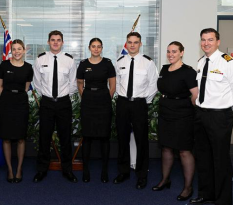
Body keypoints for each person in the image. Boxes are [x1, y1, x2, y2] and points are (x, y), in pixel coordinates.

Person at [189, 28, 233, 205]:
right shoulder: (201, 62)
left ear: (218, 42)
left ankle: (223, 200)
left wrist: (225, 110)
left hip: (220, 117)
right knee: (203, 157)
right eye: (203, 40)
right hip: (201, 115)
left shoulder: (228, 62)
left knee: (221, 159)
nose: (206, 43)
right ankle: (206, 193)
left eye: (210, 40)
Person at [152, 41, 198, 201]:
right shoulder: (165, 69)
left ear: (181, 53)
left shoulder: (188, 72)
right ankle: (165, 180)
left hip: (183, 114)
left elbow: (195, 95)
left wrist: (191, 112)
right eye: (168, 51)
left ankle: (188, 187)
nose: (171, 54)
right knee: (166, 148)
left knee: (184, 151)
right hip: (165, 112)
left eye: (174, 51)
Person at [113, 32, 158, 189]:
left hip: (139, 104)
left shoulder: (148, 63)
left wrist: (145, 101)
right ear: (126, 44)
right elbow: (117, 83)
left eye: (135, 42)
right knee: (122, 139)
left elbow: (153, 84)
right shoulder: (119, 62)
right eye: (130, 42)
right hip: (123, 103)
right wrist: (122, 96)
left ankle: (141, 174)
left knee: (141, 141)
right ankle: (123, 172)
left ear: (140, 44)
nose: (132, 45)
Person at [33, 30, 78, 183]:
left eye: (58, 40)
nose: (56, 42)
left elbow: (73, 84)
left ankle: (68, 170)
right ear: (48, 42)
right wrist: (48, 95)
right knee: (44, 138)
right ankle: (41, 170)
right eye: (53, 40)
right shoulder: (40, 60)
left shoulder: (69, 60)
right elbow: (37, 83)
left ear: (62, 42)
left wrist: (62, 95)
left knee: (65, 138)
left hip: (64, 103)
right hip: (46, 103)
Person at [76, 38, 116, 183]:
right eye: (94, 46)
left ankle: (104, 171)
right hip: (88, 101)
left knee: (104, 137)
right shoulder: (83, 64)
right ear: (89, 48)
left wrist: (107, 98)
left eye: (99, 46)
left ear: (102, 48)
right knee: (87, 137)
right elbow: (80, 83)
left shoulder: (107, 63)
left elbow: (112, 84)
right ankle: (85, 170)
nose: (96, 49)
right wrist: (85, 96)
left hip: (103, 101)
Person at [0, 39, 33, 183]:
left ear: (24, 50)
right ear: (11, 50)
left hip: (21, 104)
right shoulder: (4, 65)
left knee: (21, 138)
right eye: (14, 49)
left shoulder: (28, 68)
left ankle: (19, 169)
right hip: (6, 103)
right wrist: (6, 98)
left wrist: (17, 97)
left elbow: (26, 87)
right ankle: (10, 169)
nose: (17, 51)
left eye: (19, 49)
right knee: (6, 137)